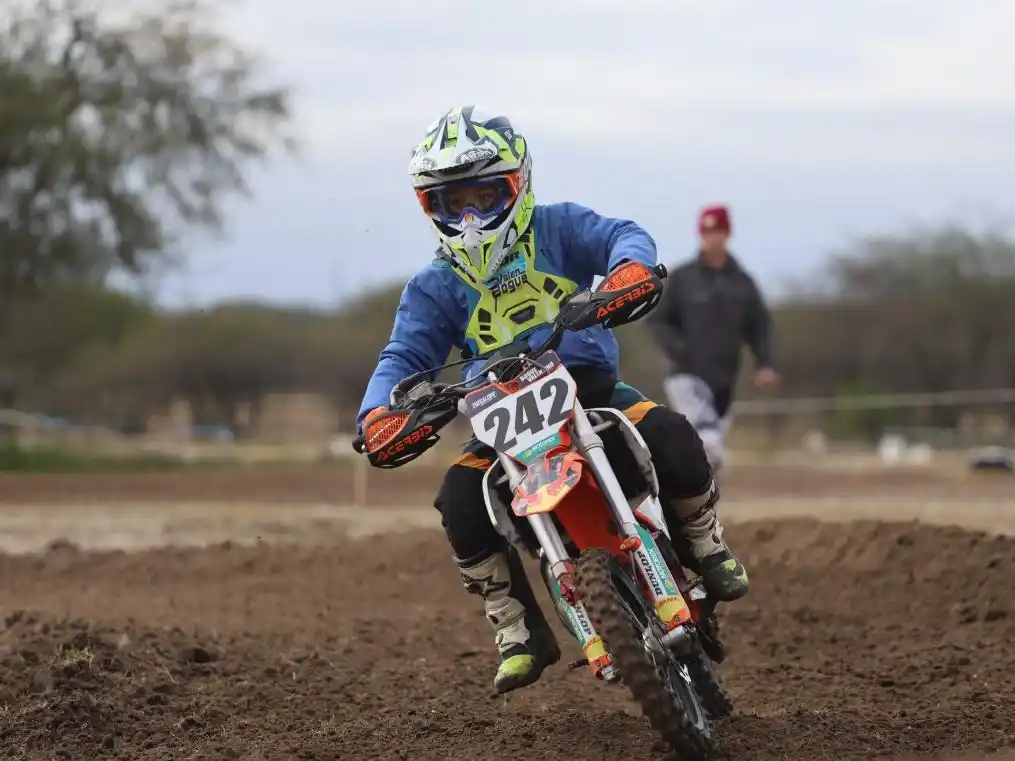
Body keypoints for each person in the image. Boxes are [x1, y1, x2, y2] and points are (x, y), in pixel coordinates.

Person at [356, 106, 749, 695]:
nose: (467, 217)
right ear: (427, 207)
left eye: (483, 196)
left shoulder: (557, 228)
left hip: (587, 391)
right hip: (500, 422)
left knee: (668, 433)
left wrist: (628, 271)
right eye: (449, 203)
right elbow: (402, 357)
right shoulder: (433, 287)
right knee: (460, 501)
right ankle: (516, 625)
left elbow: (620, 235)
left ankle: (701, 538)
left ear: (517, 184)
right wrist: (379, 413)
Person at [647, 204, 779, 478]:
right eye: (707, 232)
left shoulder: (743, 282)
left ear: (727, 234)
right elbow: (657, 320)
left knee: (706, 449)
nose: (712, 238)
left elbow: (759, 326)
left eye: (717, 231)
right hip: (685, 375)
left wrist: (765, 363)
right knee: (708, 439)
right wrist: (679, 350)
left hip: (724, 378)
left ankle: (705, 508)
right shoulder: (683, 278)